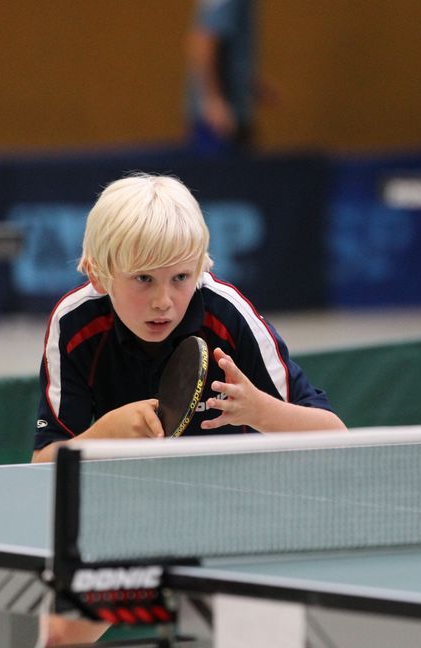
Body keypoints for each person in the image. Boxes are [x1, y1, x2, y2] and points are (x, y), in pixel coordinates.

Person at [31, 173, 346, 645]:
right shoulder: (74, 325)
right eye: (143, 279)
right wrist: (106, 433)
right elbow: (40, 467)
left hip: (239, 521)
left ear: (199, 265)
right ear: (98, 273)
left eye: (181, 277)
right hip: (130, 519)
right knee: (59, 635)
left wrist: (258, 410)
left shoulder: (228, 315)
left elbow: (336, 437)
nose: (164, 301)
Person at [186, 0, 267, 154]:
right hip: (220, 119)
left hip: (232, 112)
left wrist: (250, 83)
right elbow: (204, 41)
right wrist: (213, 99)